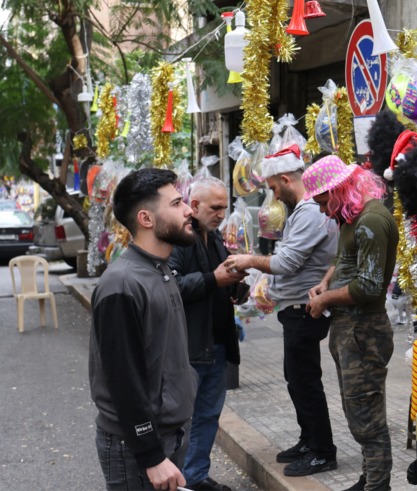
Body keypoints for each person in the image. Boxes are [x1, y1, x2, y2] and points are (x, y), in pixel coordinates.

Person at [223, 145, 340, 477]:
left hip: (304, 308)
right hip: (294, 307)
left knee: (304, 381)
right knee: (297, 379)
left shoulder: (309, 211)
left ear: (286, 179)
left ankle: (323, 451)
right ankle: (309, 440)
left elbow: (287, 262)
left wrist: (250, 261)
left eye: (274, 188)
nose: (274, 196)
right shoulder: (305, 209)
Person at [89, 168, 198, 491]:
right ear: (147, 219)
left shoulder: (160, 270)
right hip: (137, 448)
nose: (189, 210)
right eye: (177, 204)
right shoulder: (122, 283)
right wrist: (150, 455)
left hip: (169, 435)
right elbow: (123, 377)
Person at [304, 156, 398, 491]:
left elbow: (368, 286)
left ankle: (377, 486)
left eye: (321, 201)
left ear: (338, 189)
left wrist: (323, 300)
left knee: (368, 418)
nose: (320, 209)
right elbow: (344, 258)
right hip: (350, 330)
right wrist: (326, 282)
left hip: (363, 331)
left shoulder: (371, 220)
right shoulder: (353, 216)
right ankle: (369, 479)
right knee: (358, 412)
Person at [169, 177, 247, 491]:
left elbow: (221, 277)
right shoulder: (178, 238)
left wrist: (238, 287)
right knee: (182, 422)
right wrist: (214, 280)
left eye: (224, 208)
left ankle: (195, 477)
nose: (220, 214)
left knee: (208, 417)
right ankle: (177, 479)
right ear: (196, 205)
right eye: (215, 208)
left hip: (216, 346)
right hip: (189, 349)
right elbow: (170, 287)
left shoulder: (213, 238)